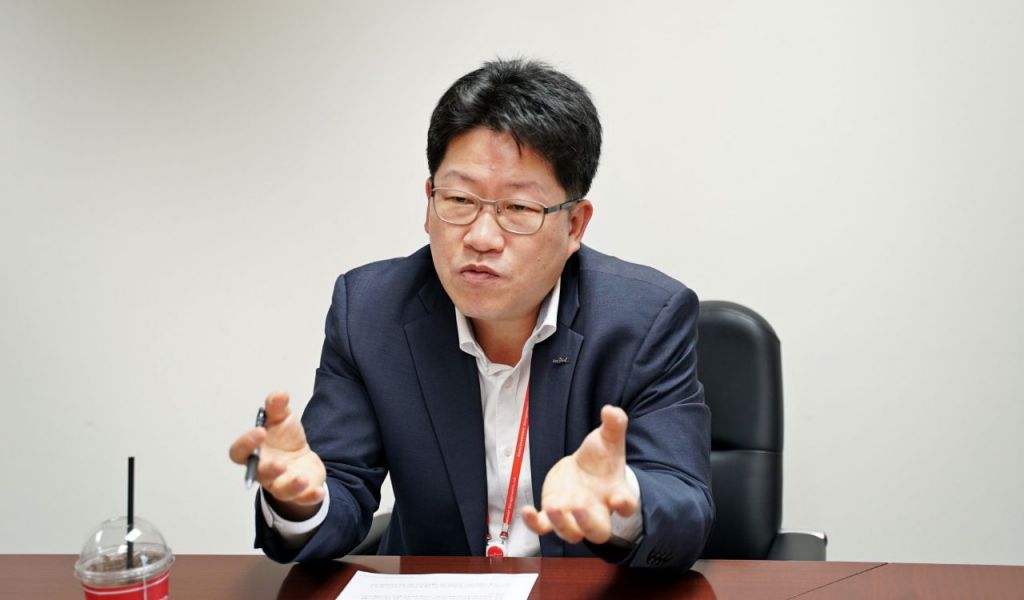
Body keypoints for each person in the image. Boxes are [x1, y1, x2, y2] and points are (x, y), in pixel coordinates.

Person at [228, 58, 713, 570]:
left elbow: (685, 504)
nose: (481, 237)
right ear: (428, 202)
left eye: (518, 209)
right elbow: (339, 485)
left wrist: (624, 503)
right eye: (459, 199)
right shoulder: (370, 312)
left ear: (574, 225)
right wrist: (301, 502)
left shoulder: (644, 319)